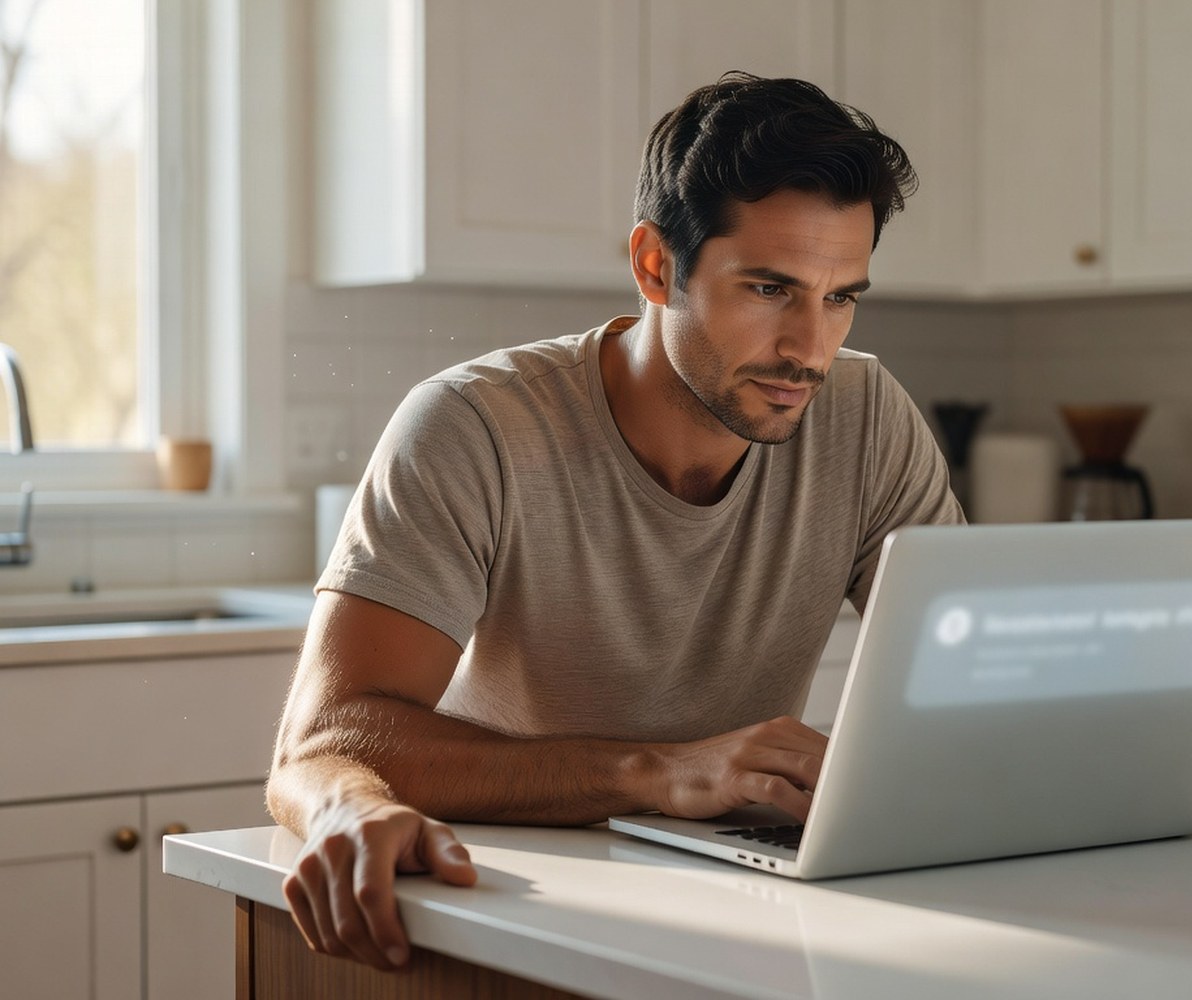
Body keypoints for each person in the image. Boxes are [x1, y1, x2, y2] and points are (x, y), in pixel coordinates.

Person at [267, 71, 964, 971]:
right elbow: (326, 741)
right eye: (769, 289)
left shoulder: (867, 418)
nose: (809, 350)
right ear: (654, 266)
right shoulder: (475, 426)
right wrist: (659, 772)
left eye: (840, 298)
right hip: (507, 903)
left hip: (746, 903)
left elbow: (967, 686)